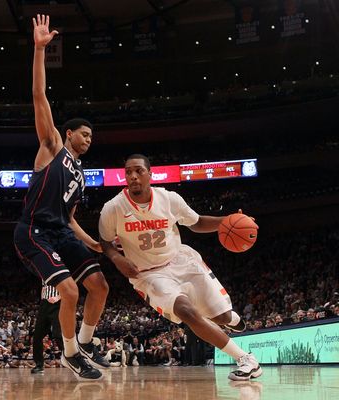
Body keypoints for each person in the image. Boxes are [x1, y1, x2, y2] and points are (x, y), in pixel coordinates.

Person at [99, 154, 262, 381]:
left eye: (139, 171)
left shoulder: (169, 199)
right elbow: (105, 242)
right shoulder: (113, 208)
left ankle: (231, 319)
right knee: (187, 312)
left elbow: (196, 223)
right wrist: (117, 259)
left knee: (221, 316)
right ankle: (246, 359)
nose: (133, 176)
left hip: (180, 260)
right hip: (149, 274)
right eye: (128, 172)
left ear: (150, 174)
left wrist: (227, 220)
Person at [14, 14, 109, 380]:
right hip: (34, 231)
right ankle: (70, 354)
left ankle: (85, 343)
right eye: (83, 134)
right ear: (68, 133)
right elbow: (39, 95)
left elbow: (69, 217)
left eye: (91, 137)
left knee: (99, 286)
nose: (87, 140)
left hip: (61, 231)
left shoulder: (81, 175)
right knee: (68, 290)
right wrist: (39, 50)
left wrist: (94, 244)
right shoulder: (53, 146)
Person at [31, 282, 63, 374]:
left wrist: (58, 297)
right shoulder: (43, 272)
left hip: (57, 303)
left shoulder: (62, 270)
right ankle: (39, 365)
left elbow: (71, 287)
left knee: (58, 334)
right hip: (44, 304)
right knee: (37, 336)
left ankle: (71, 359)